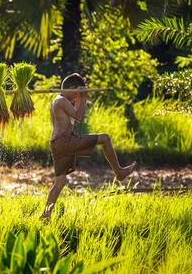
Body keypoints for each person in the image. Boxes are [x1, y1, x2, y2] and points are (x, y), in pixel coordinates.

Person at [40, 73, 137, 220]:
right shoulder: (61, 101)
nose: (76, 97)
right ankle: (119, 172)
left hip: (56, 143)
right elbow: (79, 117)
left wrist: (80, 97)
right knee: (105, 138)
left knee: (60, 182)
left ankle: (45, 215)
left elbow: (76, 118)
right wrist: (84, 97)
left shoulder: (59, 101)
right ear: (72, 89)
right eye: (76, 94)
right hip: (65, 140)